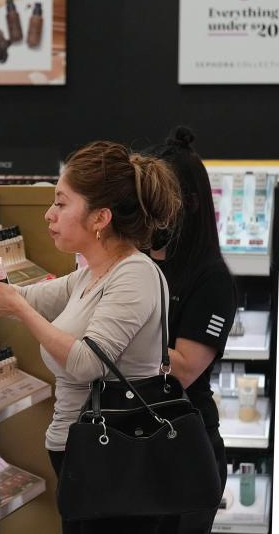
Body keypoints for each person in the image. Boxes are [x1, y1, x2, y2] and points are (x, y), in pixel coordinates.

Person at [0, 140, 182, 534]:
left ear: (100, 217)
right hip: (83, 454)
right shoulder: (95, 272)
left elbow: (85, 362)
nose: (49, 214)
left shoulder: (134, 274)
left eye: (61, 203)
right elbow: (21, 297)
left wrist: (21, 312)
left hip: (114, 458)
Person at [149, 127, 235, 534]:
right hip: (139, 444)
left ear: (190, 205)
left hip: (186, 445)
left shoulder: (211, 279)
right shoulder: (140, 263)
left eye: (158, 200)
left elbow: (183, 371)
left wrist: (103, 349)